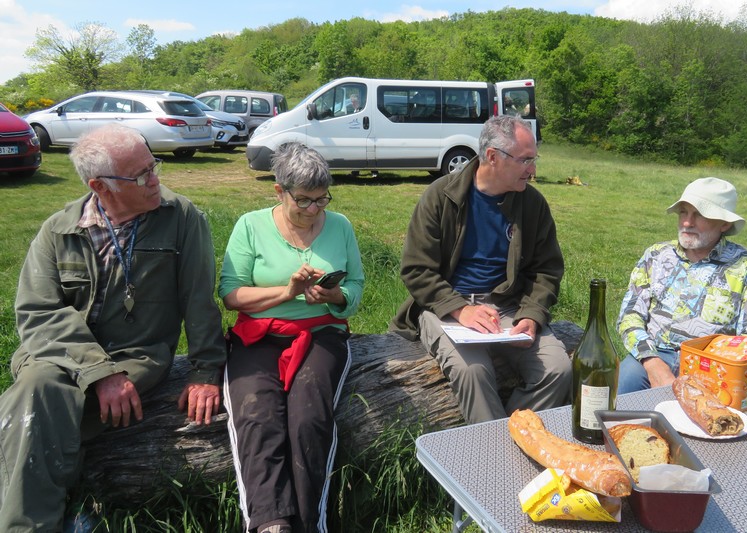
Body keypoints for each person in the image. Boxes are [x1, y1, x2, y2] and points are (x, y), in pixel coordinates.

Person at [0, 124, 227, 531]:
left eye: (153, 165)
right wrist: (99, 372)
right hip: (58, 354)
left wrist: (205, 373)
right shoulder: (59, 230)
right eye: (140, 175)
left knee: (34, 409)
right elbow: (37, 312)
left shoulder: (182, 218)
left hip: (137, 356)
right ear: (100, 186)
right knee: (38, 389)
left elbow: (200, 301)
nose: (155, 179)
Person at [219, 142, 364, 533]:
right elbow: (231, 294)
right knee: (256, 413)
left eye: (322, 199)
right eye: (303, 200)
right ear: (279, 191)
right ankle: (270, 523)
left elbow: (356, 287)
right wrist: (287, 293)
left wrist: (336, 296)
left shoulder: (341, 226)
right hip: (259, 334)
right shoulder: (250, 225)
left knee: (309, 416)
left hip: (321, 333)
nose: (314, 210)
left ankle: (307, 523)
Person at [391, 115, 572, 425]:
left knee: (558, 369)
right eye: (525, 160)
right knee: (473, 371)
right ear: (492, 157)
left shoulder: (532, 204)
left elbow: (546, 270)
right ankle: (497, 456)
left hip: (508, 307)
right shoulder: (441, 196)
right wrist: (460, 309)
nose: (533, 170)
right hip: (446, 308)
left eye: (534, 159)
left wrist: (531, 314)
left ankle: (514, 437)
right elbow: (417, 269)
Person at [617, 177, 747, 394]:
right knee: (614, 403)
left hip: (714, 365)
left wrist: (708, 371)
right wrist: (651, 363)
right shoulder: (656, 255)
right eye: (683, 212)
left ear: (724, 223)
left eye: (699, 214)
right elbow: (630, 315)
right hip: (652, 354)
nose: (687, 223)